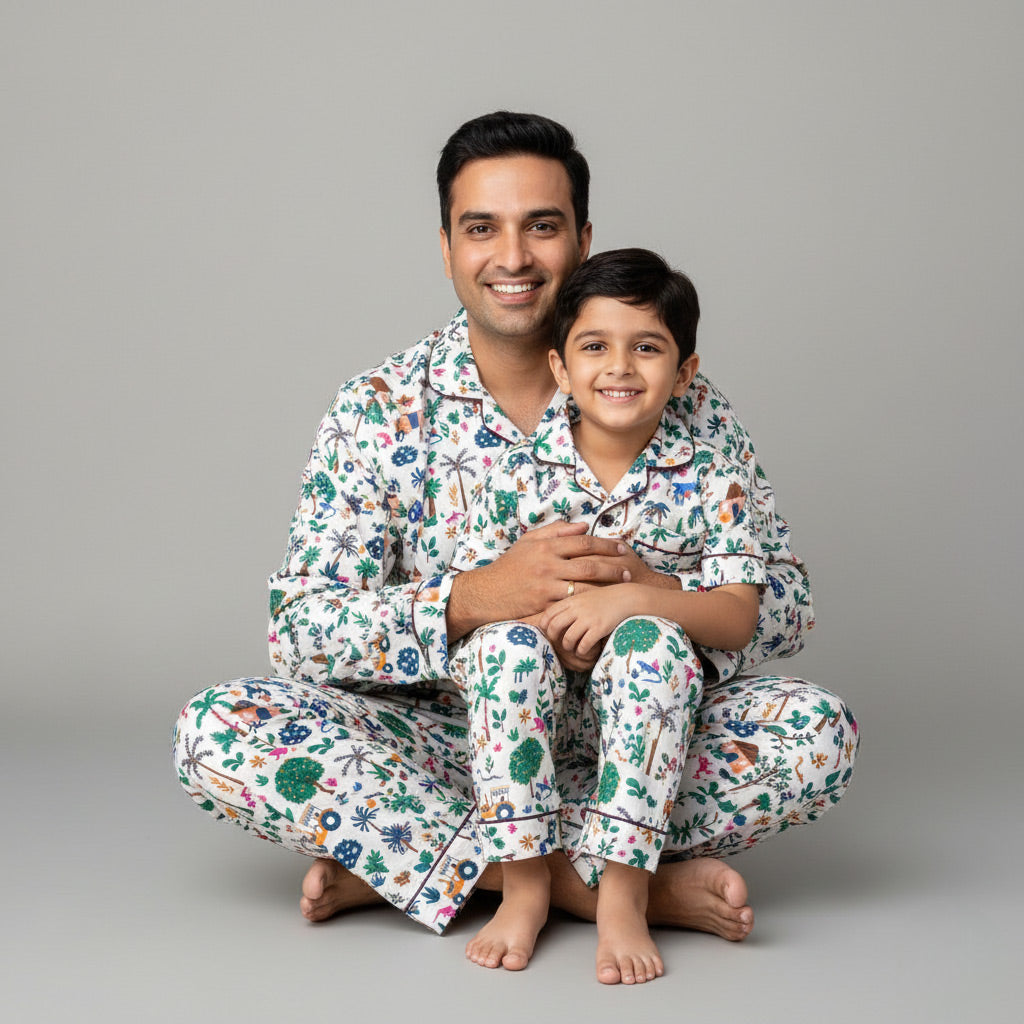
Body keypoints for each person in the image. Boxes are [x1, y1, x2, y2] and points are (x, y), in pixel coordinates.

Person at [172, 112, 857, 982]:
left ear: (583, 239)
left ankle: (413, 865)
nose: (514, 257)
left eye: (542, 225)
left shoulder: (674, 388)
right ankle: (595, 886)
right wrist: (473, 598)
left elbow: (786, 604)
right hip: (453, 750)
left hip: (646, 739)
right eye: (481, 228)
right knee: (216, 730)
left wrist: (655, 590)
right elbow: (301, 627)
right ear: (447, 245)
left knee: (818, 733)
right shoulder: (380, 408)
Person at [448, 248, 768, 982]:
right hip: (530, 719)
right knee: (505, 650)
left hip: (654, 725)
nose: (619, 367)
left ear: (685, 372)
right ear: (560, 368)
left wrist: (636, 599)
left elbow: (737, 617)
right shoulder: (511, 478)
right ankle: (525, 885)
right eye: (595, 347)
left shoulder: (713, 478)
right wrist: (534, 621)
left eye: (647, 347)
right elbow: (477, 592)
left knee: (652, 642)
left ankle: (623, 892)